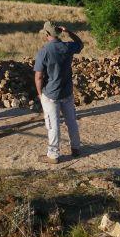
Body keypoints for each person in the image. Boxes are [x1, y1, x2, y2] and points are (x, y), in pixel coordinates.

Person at [34, 21, 83, 164]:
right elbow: (80, 44)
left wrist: (39, 93)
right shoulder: (68, 47)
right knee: (71, 122)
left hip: (51, 94)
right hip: (67, 91)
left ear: (47, 34)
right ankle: (76, 148)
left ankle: (53, 155)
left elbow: (38, 76)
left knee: (53, 125)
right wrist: (69, 32)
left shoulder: (44, 51)